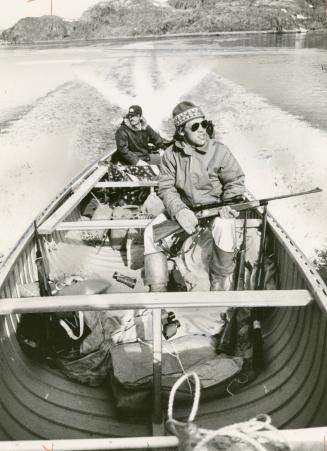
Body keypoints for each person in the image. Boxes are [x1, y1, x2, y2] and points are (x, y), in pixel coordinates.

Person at [143, 101, 245, 292]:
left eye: (204, 124)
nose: (202, 130)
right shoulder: (170, 155)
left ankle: (219, 283)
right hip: (186, 209)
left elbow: (235, 182)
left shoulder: (220, 150)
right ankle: (157, 290)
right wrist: (179, 209)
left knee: (225, 227)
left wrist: (228, 205)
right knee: (150, 233)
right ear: (181, 131)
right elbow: (165, 187)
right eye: (195, 126)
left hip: (217, 209)